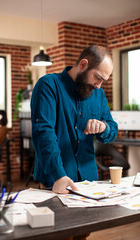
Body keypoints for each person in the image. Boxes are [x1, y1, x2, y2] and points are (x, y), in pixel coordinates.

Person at [31, 45, 118, 195]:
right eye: (98, 77)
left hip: (89, 182)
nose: (99, 86)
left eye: (103, 80)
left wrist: (103, 127)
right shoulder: (48, 85)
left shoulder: (98, 94)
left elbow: (112, 128)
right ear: (83, 65)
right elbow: (44, 133)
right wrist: (58, 175)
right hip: (55, 182)